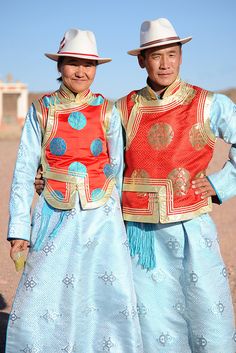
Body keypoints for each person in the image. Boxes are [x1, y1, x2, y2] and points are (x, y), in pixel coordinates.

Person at [6, 28, 143, 352]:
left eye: (88, 64)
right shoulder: (42, 110)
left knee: (104, 294)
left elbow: (117, 168)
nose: (81, 71)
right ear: (59, 66)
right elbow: (25, 169)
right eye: (73, 63)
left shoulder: (106, 110)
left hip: (103, 218)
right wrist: (18, 229)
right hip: (54, 214)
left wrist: (122, 221)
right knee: (43, 293)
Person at [115, 18, 236, 352]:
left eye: (172, 54)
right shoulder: (121, 110)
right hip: (140, 235)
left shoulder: (208, 103)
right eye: (156, 56)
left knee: (206, 312)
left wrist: (220, 183)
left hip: (193, 227)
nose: (165, 63)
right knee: (152, 321)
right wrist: (44, 174)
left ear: (181, 56)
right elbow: (98, 160)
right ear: (142, 60)